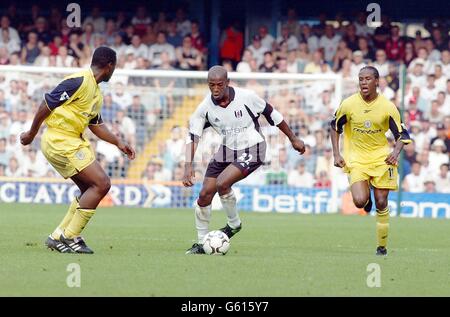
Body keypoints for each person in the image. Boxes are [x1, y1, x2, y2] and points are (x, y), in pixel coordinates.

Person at [20, 46, 136, 254]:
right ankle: (71, 236)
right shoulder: (80, 80)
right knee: (102, 184)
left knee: (88, 189)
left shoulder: (96, 93)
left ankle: (57, 236)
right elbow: (47, 103)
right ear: (110, 66)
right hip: (60, 140)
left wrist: (118, 142)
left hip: (70, 141)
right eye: (115, 67)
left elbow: (96, 125)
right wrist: (31, 133)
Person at [182, 65, 305, 254]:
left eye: (219, 85)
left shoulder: (246, 97)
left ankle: (234, 225)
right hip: (227, 149)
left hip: (253, 147)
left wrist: (293, 138)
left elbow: (272, 114)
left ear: (227, 83)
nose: (215, 89)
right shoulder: (204, 107)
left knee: (223, 183)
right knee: (205, 194)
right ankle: (201, 242)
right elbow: (193, 136)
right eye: (211, 85)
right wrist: (187, 166)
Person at [330, 66, 411, 256]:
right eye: (360, 79)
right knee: (359, 202)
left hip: (381, 159)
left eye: (367, 79)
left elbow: (402, 134)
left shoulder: (388, 107)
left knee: (381, 202)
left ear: (377, 81)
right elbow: (334, 127)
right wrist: (336, 154)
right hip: (356, 159)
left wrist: (395, 152)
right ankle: (366, 199)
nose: (363, 82)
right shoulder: (349, 104)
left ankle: (381, 246)